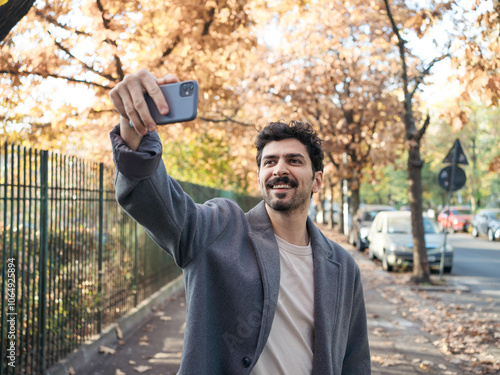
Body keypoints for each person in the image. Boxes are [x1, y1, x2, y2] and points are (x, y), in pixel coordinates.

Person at [109, 69, 371, 374]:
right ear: (260, 178)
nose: (279, 169)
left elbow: (354, 361)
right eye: (269, 162)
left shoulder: (342, 266)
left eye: (294, 160)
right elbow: (152, 201)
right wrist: (134, 131)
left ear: (317, 181)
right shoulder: (220, 230)